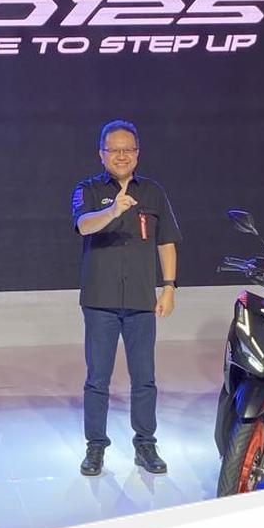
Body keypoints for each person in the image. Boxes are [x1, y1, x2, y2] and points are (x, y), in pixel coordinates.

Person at [71, 120, 180, 477]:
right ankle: (95, 447)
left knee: (144, 378)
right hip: (99, 300)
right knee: (97, 379)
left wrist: (169, 287)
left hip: (140, 301)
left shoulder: (153, 192)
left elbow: (166, 241)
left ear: (137, 153)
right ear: (101, 154)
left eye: (127, 150)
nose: (121, 156)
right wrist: (113, 211)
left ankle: (145, 444)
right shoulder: (87, 189)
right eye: (114, 150)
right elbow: (83, 225)